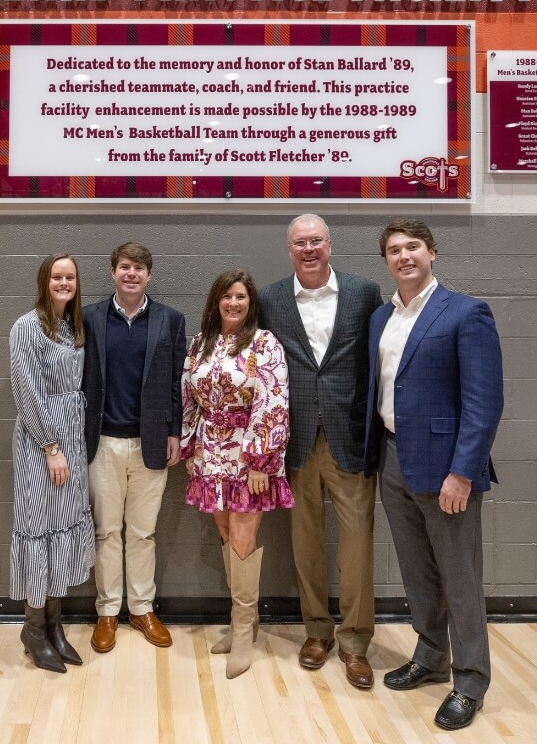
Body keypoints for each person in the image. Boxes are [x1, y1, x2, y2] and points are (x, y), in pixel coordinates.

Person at [364, 218, 504, 731]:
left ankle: (470, 682)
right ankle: (430, 657)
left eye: (414, 247)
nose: (405, 257)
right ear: (386, 261)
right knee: (417, 571)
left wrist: (463, 472)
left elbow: (484, 401)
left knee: (460, 577)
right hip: (394, 459)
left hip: (446, 469)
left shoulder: (466, 313)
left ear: (433, 253)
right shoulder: (383, 318)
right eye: (395, 250)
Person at [258, 214, 383, 689]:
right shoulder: (270, 298)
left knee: (356, 546)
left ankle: (354, 643)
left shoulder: (364, 292)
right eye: (299, 243)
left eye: (316, 241)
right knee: (305, 541)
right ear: (289, 249)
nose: (308, 249)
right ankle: (317, 631)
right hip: (295, 439)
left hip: (349, 438)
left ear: (330, 245)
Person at [181, 268, 293, 679]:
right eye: (227, 296)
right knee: (227, 534)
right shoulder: (200, 344)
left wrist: (262, 459)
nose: (233, 303)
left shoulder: (265, 344)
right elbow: (188, 397)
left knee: (245, 537)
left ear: (251, 303)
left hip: (250, 456)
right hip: (211, 454)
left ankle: (244, 631)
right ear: (216, 301)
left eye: (241, 297)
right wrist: (190, 446)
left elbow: (275, 401)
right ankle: (240, 622)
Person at [81, 242, 186, 653]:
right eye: (125, 267)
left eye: (139, 268)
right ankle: (108, 611)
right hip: (102, 443)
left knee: (142, 534)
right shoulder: (90, 318)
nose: (131, 274)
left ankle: (141, 608)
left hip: (152, 445)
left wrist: (175, 431)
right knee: (107, 532)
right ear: (112, 272)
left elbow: (179, 381)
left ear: (149, 275)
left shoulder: (170, 320)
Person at [8, 253, 96, 674]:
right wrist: (50, 446)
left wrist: (68, 446)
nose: (64, 282)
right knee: (39, 528)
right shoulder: (28, 327)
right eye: (57, 276)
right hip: (40, 444)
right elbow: (26, 391)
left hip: (71, 441)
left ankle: (55, 625)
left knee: (62, 525)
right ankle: (33, 630)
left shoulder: (70, 326)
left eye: (70, 276)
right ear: (44, 281)